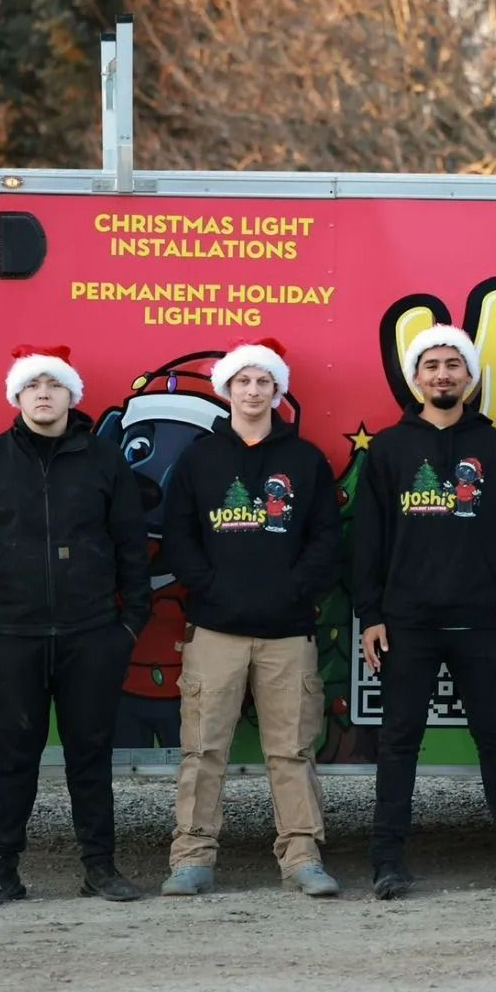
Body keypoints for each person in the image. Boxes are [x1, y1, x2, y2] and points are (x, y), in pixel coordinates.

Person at [0, 344, 150, 907]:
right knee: (13, 758)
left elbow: (133, 549)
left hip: (92, 637)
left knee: (91, 754)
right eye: (32, 383)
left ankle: (100, 869)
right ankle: (0, 871)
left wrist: (128, 627)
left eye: (54, 384)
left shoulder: (106, 461)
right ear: (17, 395)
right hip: (8, 639)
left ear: (70, 395)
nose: (43, 392)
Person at [353, 324, 496, 899]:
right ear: (415, 378)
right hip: (406, 621)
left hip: (481, 621)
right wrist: (372, 614)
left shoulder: (495, 448)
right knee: (399, 741)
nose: (442, 374)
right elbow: (367, 537)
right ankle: (388, 860)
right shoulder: (389, 448)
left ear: (469, 376)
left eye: (452, 365)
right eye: (431, 364)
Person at [158, 338, 342, 898]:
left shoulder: (305, 460)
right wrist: (209, 585)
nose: (254, 391)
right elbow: (179, 536)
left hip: (287, 633)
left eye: (264, 382)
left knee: (290, 751)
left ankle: (302, 856)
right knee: (204, 750)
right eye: (244, 382)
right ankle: (191, 857)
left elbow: (326, 539)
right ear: (227, 390)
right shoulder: (199, 459)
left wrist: (293, 589)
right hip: (215, 630)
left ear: (277, 391)